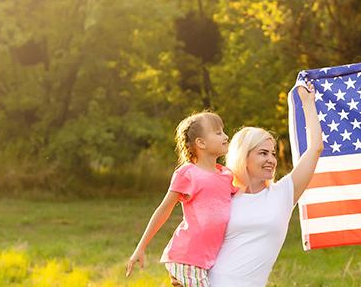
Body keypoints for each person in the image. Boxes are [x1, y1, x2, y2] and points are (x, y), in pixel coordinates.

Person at [206, 81, 323, 286]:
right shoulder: (222, 195)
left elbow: (315, 148)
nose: (271, 159)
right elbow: (194, 237)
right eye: (263, 153)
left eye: (273, 153)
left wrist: (307, 102)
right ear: (244, 156)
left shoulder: (283, 194)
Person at [125, 112, 238, 287]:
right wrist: (141, 247)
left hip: (210, 259)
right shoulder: (188, 173)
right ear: (201, 143)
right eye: (218, 133)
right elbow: (164, 210)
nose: (226, 136)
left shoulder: (227, 175)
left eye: (223, 131)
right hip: (187, 257)